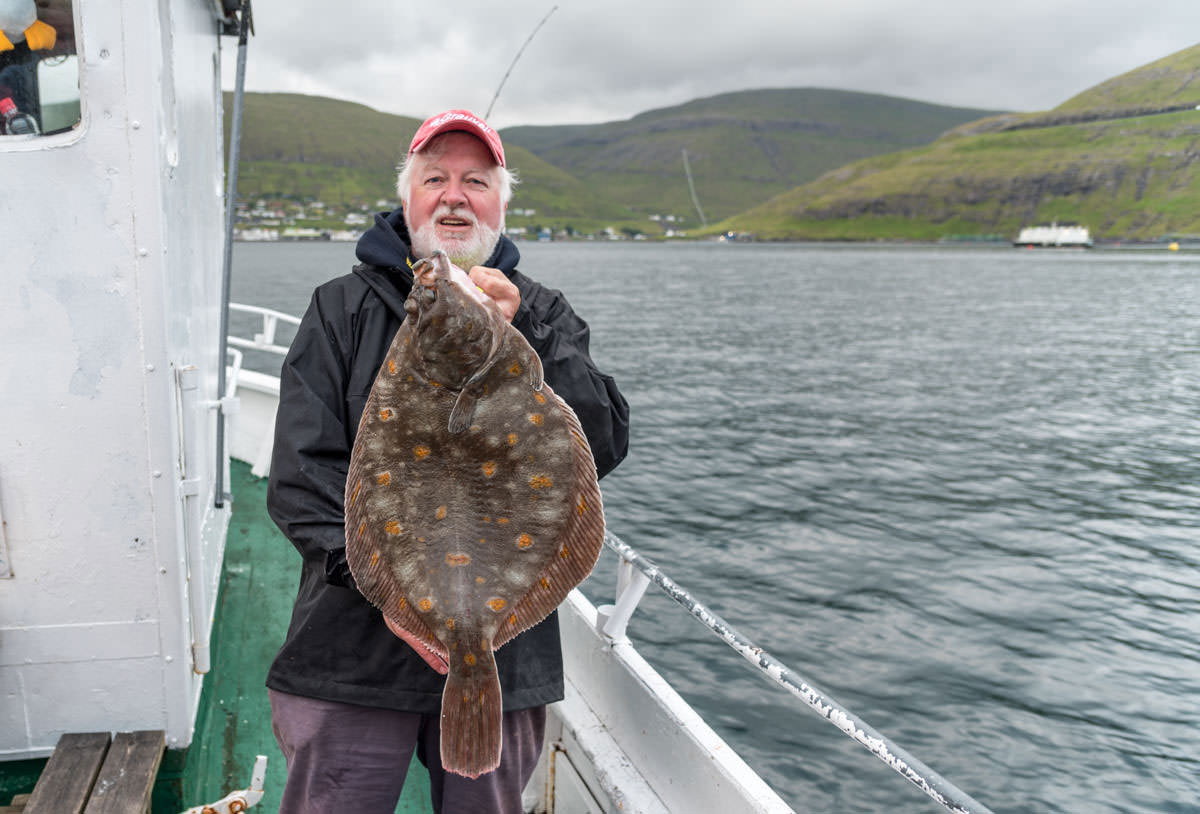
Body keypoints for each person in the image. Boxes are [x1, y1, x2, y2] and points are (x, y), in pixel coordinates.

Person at [265, 109, 630, 814]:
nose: (455, 195)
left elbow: (604, 441)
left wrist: (524, 325)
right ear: (409, 200)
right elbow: (300, 479)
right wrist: (386, 595)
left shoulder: (542, 313)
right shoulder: (340, 311)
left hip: (500, 655)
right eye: (435, 178)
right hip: (351, 655)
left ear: (499, 204)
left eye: (476, 181)